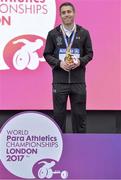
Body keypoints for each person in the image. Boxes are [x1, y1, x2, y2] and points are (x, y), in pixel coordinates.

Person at [43, 2, 93, 133]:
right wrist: (59, 63)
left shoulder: (84, 33)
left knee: (79, 116)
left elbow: (90, 54)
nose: (67, 15)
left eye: (69, 12)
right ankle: (60, 148)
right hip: (59, 83)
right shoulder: (53, 34)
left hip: (78, 82)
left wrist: (79, 61)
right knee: (58, 117)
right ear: (60, 15)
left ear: (74, 13)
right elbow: (47, 54)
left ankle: (81, 145)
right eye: (64, 12)